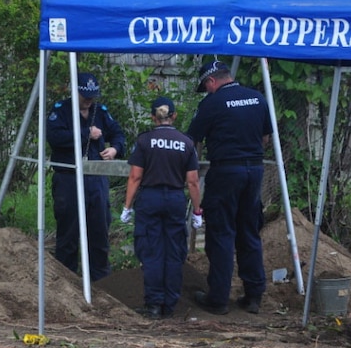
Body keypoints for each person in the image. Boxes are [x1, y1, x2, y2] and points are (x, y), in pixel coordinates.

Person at [186, 60, 271, 315]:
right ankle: (254, 295)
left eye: (206, 86)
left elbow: (192, 140)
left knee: (221, 232)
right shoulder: (257, 99)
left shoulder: (211, 104)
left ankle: (218, 298)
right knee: (249, 230)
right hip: (254, 170)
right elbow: (266, 137)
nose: (207, 91)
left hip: (225, 171)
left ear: (211, 81)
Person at [120, 96, 202, 319]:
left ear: (152, 117)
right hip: (175, 199)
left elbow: (135, 177)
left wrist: (127, 207)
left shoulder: (145, 141)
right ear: (174, 116)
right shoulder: (186, 143)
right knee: (174, 252)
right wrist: (197, 211)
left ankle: (154, 305)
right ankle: (170, 304)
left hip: (150, 199)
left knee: (152, 252)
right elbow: (193, 181)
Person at [47, 72, 126, 281]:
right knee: (69, 233)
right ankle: (66, 281)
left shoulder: (100, 112)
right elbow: (54, 137)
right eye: (85, 95)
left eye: (92, 95)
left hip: (96, 179)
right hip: (69, 179)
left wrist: (115, 149)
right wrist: (85, 133)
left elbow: (118, 133)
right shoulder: (60, 111)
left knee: (99, 231)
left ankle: (100, 282)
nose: (89, 100)